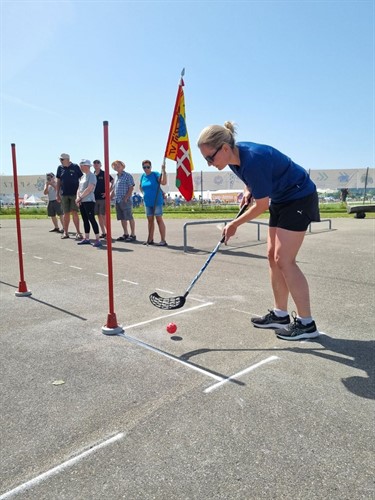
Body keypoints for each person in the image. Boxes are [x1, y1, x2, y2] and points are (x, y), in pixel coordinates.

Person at [197, 121, 320, 341]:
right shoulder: (234, 160)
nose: (208, 163)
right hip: (282, 199)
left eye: (210, 158)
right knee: (272, 258)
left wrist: (234, 225)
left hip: (299, 197)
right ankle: (280, 315)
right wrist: (248, 189)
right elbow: (253, 183)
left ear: (224, 148)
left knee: (285, 260)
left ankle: (306, 323)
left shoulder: (253, 158)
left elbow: (261, 205)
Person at [139, 159, 168, 246]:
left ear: (151, 167)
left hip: (156, 201)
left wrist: (163, 171)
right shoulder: (143, 176)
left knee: (159, 219)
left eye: (148, 167)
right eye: (144, 167)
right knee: (150, 220)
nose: (146, 169)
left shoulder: (155, 174)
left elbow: (163, 182)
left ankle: (163, 240)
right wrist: (143, 194)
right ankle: (150, 239)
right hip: (147, 202)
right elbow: (141, 186)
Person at [56, 153, 83, 240]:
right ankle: (65, 232)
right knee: (65, 213)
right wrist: (57, 194)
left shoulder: (75, 166)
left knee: (74, 212)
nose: (61, 161)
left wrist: (80, 192)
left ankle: (78, 232)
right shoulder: (60, 168)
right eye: (60, 159)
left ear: (67, 159)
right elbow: (58, 181)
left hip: (74, 194)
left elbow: (81, 179)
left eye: (62, 159)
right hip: (64, 194)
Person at [75, 160, 102, 247]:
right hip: (82, 201)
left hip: (89, 200)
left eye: (81, 166)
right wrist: (78, 198)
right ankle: (87, 238)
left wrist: (80, 197)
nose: (80, 168)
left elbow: (90, 188)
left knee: (91, 219)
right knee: (85, 219)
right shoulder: (82, 177)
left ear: (86, 166)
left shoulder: (92, 176)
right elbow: (79, 189)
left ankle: (98, 239)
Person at [111, 160, 136, 242]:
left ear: (123, 166)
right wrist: (111, 197)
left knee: (129, 217)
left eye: (118, 165)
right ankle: (126, 234)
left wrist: (126, 197)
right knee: (122, 218)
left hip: (126, 200)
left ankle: (133, 234)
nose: (116, 167)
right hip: (117, 200)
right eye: (115, 166)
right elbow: (114, 189)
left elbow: (131, 187)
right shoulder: (116, 177)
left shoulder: (127, 176)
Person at [93, 160, 113, 239]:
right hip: (94, 198)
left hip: (102, 198)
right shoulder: (92, 174)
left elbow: (112, 181)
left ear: (100, 165)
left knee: (103, 215)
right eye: (95, 163)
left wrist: (107, 192)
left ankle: (109, 233)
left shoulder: (104, 173)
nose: (96, 164)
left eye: (98, 163)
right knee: (98, 216)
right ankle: (103, 232)